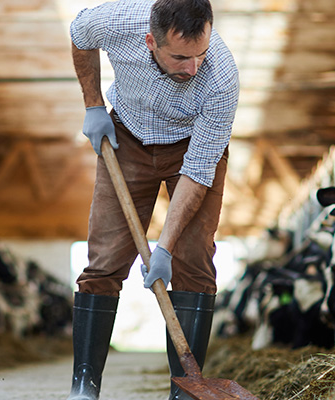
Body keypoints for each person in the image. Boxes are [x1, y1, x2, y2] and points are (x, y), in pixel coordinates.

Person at [67, 0, 238, 399]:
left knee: (193, 259)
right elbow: (79, 36)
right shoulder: (116, 21)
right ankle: (84, 386)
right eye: (180, 56)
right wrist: (94, 105)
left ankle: (185, 391)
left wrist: (165, 246)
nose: (192, 67)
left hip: (190, 148)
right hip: (126, 140)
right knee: (104, 259)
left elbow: (198, 172)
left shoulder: (222, 77)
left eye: (200, 54)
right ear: (150, 41)